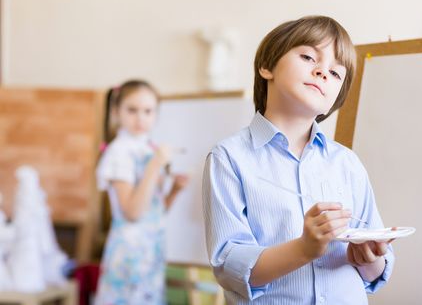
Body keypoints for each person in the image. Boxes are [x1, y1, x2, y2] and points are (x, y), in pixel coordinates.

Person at [202, 16, 395, 304]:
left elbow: (373, 273)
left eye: (336, 73)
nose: (322, 72)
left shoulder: (348, 163)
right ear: (266, 66)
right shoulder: (229, 158)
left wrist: (370, 257)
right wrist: (305, 248)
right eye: (308, 57)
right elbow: (229, 267)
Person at [94, 80, 188, 305]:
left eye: (148, 111)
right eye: (132, 110)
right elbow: (132, 212)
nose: (140, 118)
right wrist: (154, 166)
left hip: (150, 251)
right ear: (116, 112)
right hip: (130, 253)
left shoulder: (148, 148)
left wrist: (174, 190)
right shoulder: (120, 151)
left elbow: (154, 210)